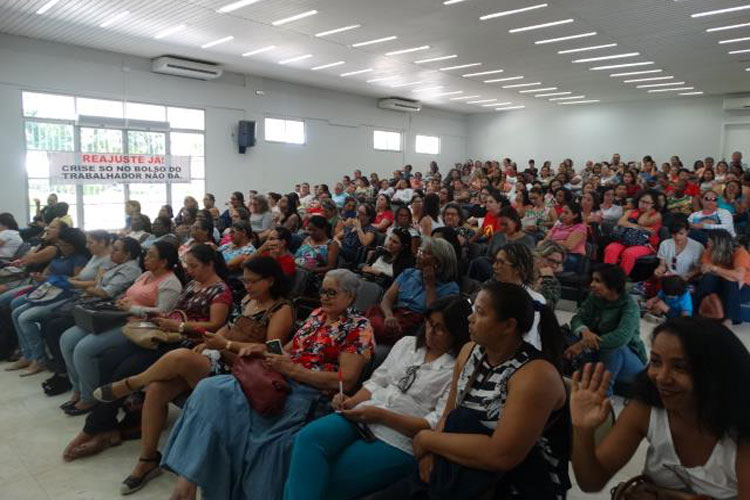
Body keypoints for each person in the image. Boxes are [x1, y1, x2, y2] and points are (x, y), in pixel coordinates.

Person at [162, 269, 374, 500]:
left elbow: (347, 378)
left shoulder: (358, 327)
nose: (324, 297)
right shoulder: (317, 316)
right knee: (209, 391)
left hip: (309, 393)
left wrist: (294, 370)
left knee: (260, 439)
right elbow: (286, 350)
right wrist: (260, 349)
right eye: (322, 291)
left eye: (331, 292)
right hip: (277, 379)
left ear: (350, 297)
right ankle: (187, 483)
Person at [91, 257, 294, 494]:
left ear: (269, 280)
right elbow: (226, 327)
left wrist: (225, 344)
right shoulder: (249, 300)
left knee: (180, 357)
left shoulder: (282, 309)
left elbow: (271, 351)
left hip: (246, 373)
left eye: (252, 282)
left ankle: (130, 384)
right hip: (220, 358)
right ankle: (147, 459)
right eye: (245, 281)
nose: (247, 286)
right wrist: (211, 342)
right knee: (157, 389)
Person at [372, 281, 569, 500]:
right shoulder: (470, 352)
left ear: (508, 325)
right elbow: (449, 414)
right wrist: (430, 454)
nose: (470, 318)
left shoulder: (535, 375)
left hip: (516, 482)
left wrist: (427, 440)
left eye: (480, 312)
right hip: (462, 465)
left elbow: (501, 455)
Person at [285, 295, 472, 500]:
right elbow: (378, 382)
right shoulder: (407, 344)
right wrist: (352, 400)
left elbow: (434, 424)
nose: (431, 332)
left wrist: (380, 416)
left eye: (440, 328)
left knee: (327, 481)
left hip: (399, 438)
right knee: (307, 440)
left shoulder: (457, 369)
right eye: (429, 323)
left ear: (457, 333)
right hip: (364, 413)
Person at [569, 318, 750, 498]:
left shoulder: (740, 429)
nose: (661, 377)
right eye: (655, 362)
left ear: (715, 373)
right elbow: (591, 482)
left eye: (680, 367)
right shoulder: (646, 409)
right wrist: (582, 430)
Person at [56, 241, 184, 417]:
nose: (145, 258)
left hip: (138, 326)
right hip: (118, 317)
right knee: (66, 338)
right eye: (146, 254)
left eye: (151, 255)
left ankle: (90, 397)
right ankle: (77, 389)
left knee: (83, 349)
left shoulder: (170, 283)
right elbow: (129, 294)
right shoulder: (146, 275)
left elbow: (164, 313)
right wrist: (123, 301)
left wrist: (133, 308)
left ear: (164, 262)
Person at [5, 227, 91, 375]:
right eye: (61, 245)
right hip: (48, 290)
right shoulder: (60, 255)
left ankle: (38, 359)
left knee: (25, 317)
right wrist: (42, 278)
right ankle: (27, 354)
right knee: (16, 312)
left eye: (66, 245)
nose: (63, 248)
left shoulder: (79, 259)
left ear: (75, 245)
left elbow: (75, 284)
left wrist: (55, 280)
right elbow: (47, 273)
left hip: (65, 295)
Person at [565, 264, 646, 395]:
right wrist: (585, 331)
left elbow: (621, 337)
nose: (592, 284)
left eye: (597, 281)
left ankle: (604, 396)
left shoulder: (629, 305)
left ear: (612, 284)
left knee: (614, 348)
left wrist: (583, 344)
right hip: (599, 355)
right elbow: (577, 319)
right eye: (592, 280)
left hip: (629, 363)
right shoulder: (594, 298)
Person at [367, 237, 459, 344]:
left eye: (424, 254)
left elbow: (433, 318)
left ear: (437, 262)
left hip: (415, 325)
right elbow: (387, 298)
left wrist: (430, 286)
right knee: (366, 321)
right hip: (393, 315)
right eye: (420, 251)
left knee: (372, 327)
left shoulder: (450, 289)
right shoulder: (408, 273)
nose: (418, 256)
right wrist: (389, 315)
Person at [693, 229, 750, 325]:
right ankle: (695, 312)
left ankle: (730, 319)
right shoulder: (709, 250)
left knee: (730, 281)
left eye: (710, 241)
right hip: (720, 282)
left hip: (742, 287)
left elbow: (739, 276)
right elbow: (704, 269)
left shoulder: (740, 252)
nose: (707, 243)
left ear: (718, 243)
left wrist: (715, 269)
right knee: (708, 278)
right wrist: (725, 273)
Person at [604, 190, 662, 276]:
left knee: (629, 253)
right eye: (642, 201)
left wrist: (649, 211)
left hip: (645, 244)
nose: (643, 204)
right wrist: (640, 227)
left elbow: (642, 221)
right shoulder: (630, 212)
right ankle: (607, 276)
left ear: (653, 204)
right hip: (625, 240)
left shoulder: (656, 215)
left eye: (647, 203)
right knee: (611, 249)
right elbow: (620, 222)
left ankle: (621, 279)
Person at [544, 201, 587, 272]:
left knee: (550, 262)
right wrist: (561, 242)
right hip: (553, 253)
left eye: (566, 213)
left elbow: (568, 246)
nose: (562, 215)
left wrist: (552, 241)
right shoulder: (558, 226)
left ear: (575, 215)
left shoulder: (580, 227)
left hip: (572, 255)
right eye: (562, 212)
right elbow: (545, 241)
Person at [535, 240, 566, 311]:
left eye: (558, 263)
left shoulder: (553, 282)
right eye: (551, 260)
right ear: (538, 256)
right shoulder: (523, 273)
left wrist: (547, 280)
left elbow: (546, 308)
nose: (554, 266)